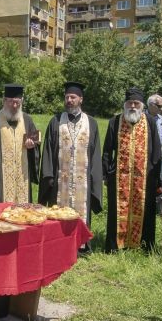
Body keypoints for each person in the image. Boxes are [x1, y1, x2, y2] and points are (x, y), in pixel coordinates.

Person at [102, 88, 162, 252]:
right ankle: (116, 245)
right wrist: (105, 173)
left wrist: (157, 177)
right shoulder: (115, 122)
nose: (133, 106)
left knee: (145, 210)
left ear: (142, 105)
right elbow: (107, 150)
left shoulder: (150, 122)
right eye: (130, 103)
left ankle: (143, 245)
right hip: (119, 177)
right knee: (117, 211)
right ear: (125, 105)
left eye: (136, 103)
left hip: (145, 178)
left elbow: (157, 150)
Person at [39, 82, 102, 235]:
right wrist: (49, 177)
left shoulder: (91, 123)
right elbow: (47, 151)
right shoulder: (55, 121)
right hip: (60, 183)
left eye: (73, 97)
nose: (69, 100)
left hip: (83, 183)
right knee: (56, 216)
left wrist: (95, 181)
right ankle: (58, 243)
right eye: (67, 97)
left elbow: (95, 155)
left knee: (82, 211)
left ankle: (81, 243)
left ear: (81, 99)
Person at [0, 83, 40, 204]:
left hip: (22, 178)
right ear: (4, 101)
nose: (14, 105)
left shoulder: (27, 120)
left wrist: (32, 146)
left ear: (22, 100)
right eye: (10, 101)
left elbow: (36, 144)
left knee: (22, 216)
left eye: (17, 102)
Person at [147, 93, 162, 214]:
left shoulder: (160, 118)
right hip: (148, 152)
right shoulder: (142, 117)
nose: (161, 109)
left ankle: (159, 207)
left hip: (160, 152)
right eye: (159, 106)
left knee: (161, 178)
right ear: (151, 105)